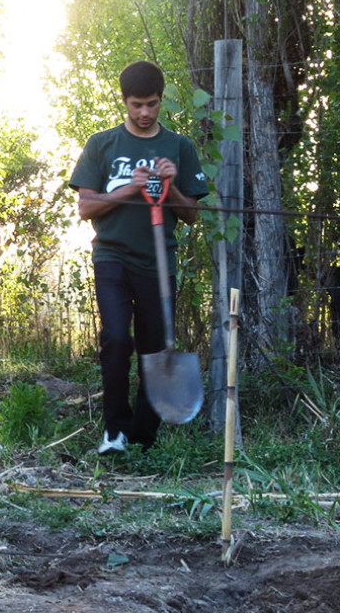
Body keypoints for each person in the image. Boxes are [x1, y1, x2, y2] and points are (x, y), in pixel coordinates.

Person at [68, 61, 207, 455]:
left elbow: (192, 215)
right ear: (124, 102)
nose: (144, 113)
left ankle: (143, 436)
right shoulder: (102, 144)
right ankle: (115, 430)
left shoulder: (179, 147)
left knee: (154, 346)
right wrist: (130, 188)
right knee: (115, 339)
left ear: (161, 100)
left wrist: (171, 186)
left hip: (158, 259)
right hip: (111, 257)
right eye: (136, 105)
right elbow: (86, 208)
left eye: (152, 104)